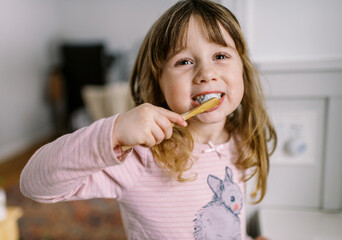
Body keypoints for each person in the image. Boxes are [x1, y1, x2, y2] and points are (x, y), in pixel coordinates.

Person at [20, 0, 276, 239]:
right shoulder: (140, 157)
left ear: (242, 67)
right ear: (159, 84)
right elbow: (34, 184)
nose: (206, 73)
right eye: (184, 61)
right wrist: (114, 132)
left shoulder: (240, 139)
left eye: (220, 56)